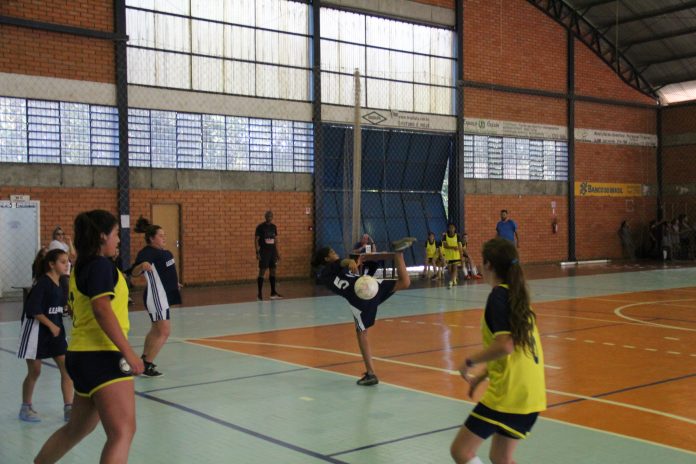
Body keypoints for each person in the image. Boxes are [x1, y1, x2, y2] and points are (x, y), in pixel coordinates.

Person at [34, 210, 144, 464]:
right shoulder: (101, 266)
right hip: (103, 356)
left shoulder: (80, 268)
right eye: (116, 234)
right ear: (102, 236)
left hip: (80, 355)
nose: (119, 239)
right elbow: (101, 309)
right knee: (122, 432)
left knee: (77, 429)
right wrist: (128, 352)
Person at [450, 237, 546, 464]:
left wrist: (469, 362)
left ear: (488, 265)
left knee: (461, 451)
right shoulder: (518, 297)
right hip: (532, 395)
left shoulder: (499, 296)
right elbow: (517, 351)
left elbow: (505, 345)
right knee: (501, 458)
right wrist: (483, 375)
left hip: (509, 394)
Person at [312, 237, 415, 386]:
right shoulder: (330, 268)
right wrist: (350, 261)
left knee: (362, 334)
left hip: (360, 297)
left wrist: (355, 262)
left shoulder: (327, 275)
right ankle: (398, 253)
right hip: (368, 286)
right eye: (332, 252)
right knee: (404, 282)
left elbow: (343, 267)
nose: (336, 253)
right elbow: (341, 262)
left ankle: (371, 373)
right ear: (326, 259)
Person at [17, 249, 73, 423]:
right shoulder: (43, 284)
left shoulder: (62, 283)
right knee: (35, 371)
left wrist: (68, 310)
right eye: (62, 262)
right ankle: (25, 408)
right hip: (36, 331)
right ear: (51, 264)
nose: (67, 264)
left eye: (67, 261)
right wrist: (51, 325)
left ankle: (69, 408)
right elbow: (33, 310)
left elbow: (59, 307)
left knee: (67, 368)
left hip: (55, 332)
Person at [129, 216, 182, 378]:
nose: (164, 238)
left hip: (164, 295)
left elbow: (166, 273)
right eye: (160, 235)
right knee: (164, 331)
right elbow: (133, 272)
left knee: (156, 329)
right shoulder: (147, 253)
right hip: (157, 296)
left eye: (164, 235)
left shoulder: (165, 252)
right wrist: (141, 266)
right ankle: (147, 365)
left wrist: (174, 284)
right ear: (151, 239)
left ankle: (144, 359)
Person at [255, 210, 282, 300]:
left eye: (271, 216)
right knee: (262, 271)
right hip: (264, 252)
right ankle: (259, 294)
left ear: (272, 217)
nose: (269, 217)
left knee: (273, 271)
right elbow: (256, 240)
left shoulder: (274, 227)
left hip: (272, 252)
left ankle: (273, 292)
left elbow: (275, 240)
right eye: (268, 216)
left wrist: (277, 253)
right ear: (265, 217)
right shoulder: (260, 227)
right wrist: (257, 252)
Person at [47, 226, 76, 301]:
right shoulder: (54, 243)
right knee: (65, 291)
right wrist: (69, 245)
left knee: (66, 291)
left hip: (66, 271)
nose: (61, 236)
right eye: (58, 234)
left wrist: (69, 242)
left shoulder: (63, 245)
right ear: (54, 235)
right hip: (60, 272)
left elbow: (73, 255)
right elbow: (69, 255)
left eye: (62, 234)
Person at [442, 223, 463, 288]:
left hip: (456, 256)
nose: (451, 229)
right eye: (450, 228)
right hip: (448, 256)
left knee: (455, 268)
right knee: (449, 270)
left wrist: (461, 257)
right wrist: (453, 247)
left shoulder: (457, 236)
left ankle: (451, 282)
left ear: (455, 229)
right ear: (448, 229)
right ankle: (454, 278)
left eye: (453, 228)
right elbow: (445, 245)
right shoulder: (445, 236)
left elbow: (460, 247)